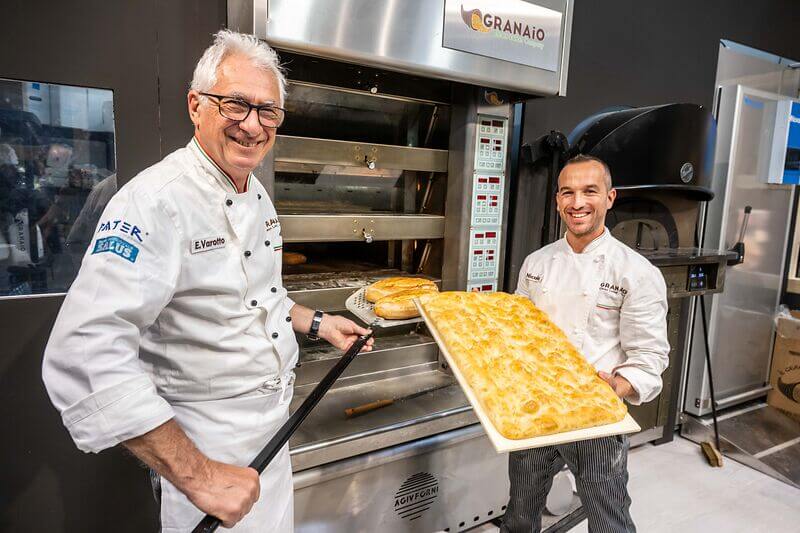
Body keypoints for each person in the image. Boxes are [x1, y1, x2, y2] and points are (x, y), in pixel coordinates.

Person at [42, 29, 373, 532]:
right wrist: (200, 477)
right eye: (236, 105)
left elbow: (256, 298)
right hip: (207, 444)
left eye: (268, 111)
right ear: (196, 106)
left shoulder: (255, 192)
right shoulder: (154, 201)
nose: (252, 126)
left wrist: (320, 323)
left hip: (272, 433)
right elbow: (83, 350)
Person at [502, 154, 669, 533]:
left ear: (610, 197)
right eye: (568, 193)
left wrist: (617, 387)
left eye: (589, 191)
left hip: (595, 413)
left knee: (609, 519)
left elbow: (650, 354)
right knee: (520, 511)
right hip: (538, 406)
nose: (577, 203)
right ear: (557, 201)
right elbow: (518, 330)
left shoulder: (636, 272)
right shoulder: (536, 263)